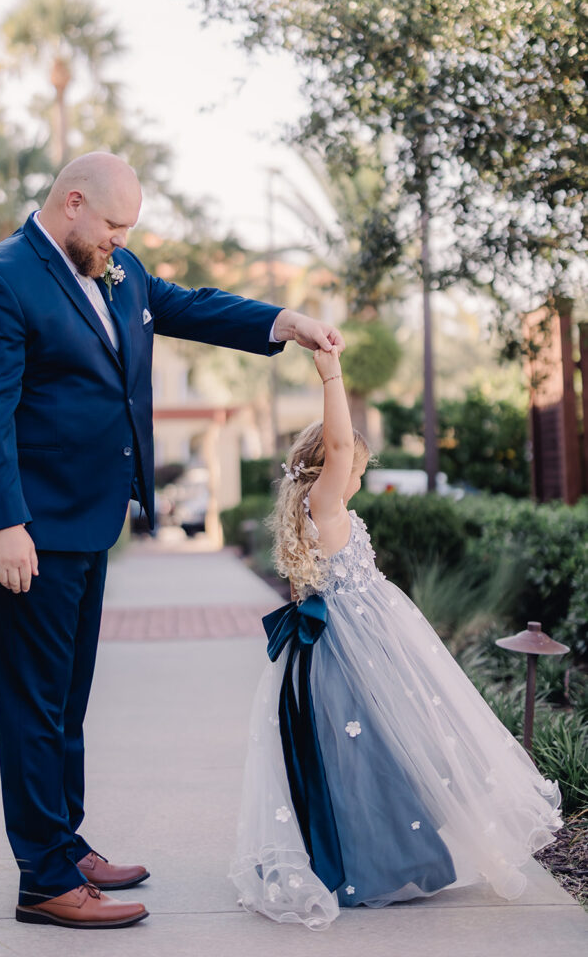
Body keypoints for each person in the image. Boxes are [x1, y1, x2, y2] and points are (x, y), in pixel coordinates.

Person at [0, 151, 346, 930]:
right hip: (29, 529)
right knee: (32, 705)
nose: (122, 242)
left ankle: (65, 841)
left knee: (65, 703)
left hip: (88, 522)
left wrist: (284, 323)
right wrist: (3, 523)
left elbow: (188, 305)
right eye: (113, 225)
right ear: (71, 204)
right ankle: (44, 880)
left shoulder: (114, 272)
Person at [230, 344, 564, 930]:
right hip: (355, 648)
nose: (360, 470)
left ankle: (382, 858)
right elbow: (337, 445)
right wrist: (332, 375)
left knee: (370, 754)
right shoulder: (325, 503)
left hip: (347, 644)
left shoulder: (311, 509)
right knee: (380, 754)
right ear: (332, 465)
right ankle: (382, 863)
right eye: (357, 462)